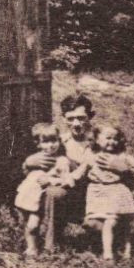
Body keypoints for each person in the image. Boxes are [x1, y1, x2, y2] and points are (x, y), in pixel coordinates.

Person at [22, 94, 100, 249]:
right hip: (67, 194)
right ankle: (52, 243)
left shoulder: (100, 142)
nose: (76, 123)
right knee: (54, 193)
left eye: (81, 118)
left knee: (98, 230)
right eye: (70, 119)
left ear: (90, 117)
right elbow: (35, 171)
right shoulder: (58, 142)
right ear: (63, 118)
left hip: (94, 195)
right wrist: (28, 163)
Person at [14, 122, 84, 257]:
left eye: (54, 141)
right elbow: (25, 172)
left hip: (41, 198)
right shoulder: (36, 157)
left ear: (59, 140)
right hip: (27, 196)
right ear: (38, 144)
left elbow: (67, 180)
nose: (50, 145)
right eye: (45, 142)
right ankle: (31, 247)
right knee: (29, 225)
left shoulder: (62, 160)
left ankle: (38, 248)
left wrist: (51, 180)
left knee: (34, 224)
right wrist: (28, 164)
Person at [83, 124, 134, 262]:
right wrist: (67, 179)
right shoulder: (91, 155)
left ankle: (114, 253)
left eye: (115, 138)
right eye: (108, 138)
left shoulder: (124, 157)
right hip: (97, 192)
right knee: (97, 222)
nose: (112, 141)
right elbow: (80, 171)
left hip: (117, 191)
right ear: (96, 139)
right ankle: (111, 248)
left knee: (117, 222)